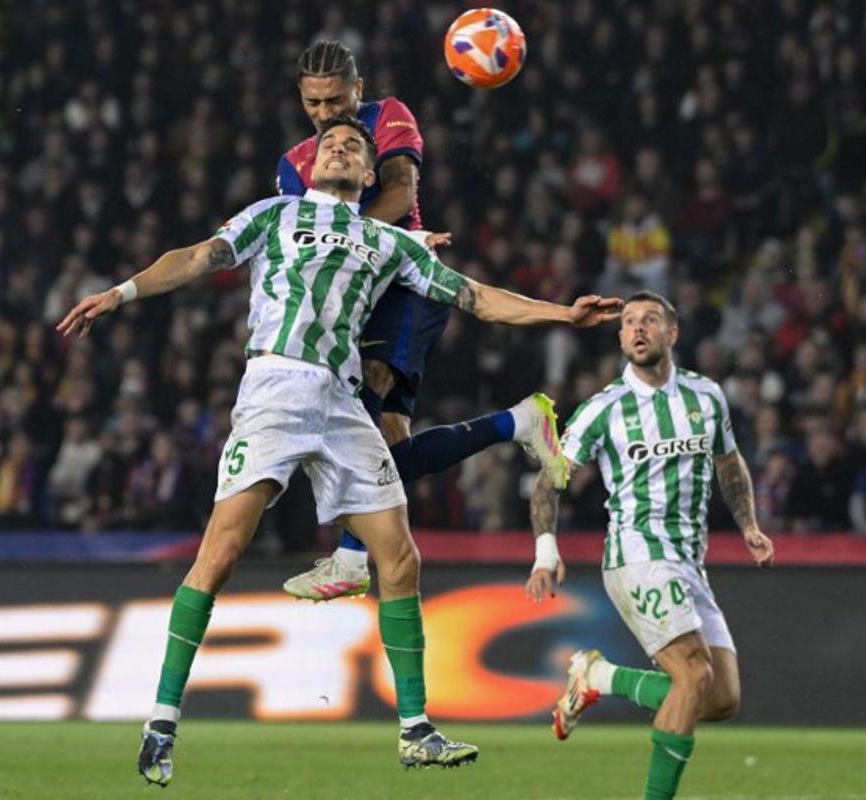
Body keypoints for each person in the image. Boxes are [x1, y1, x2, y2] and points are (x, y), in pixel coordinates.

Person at [58, 116, 621, 786]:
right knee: (222, 551)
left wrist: (563, 313)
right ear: (314, 163)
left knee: (400, 556)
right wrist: (118, 294)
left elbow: (473, 297)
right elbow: (193, 258)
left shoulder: (389, 242)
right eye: (331, 143)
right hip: (274, 386)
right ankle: (160, 722)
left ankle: (416, 731)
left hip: (340, 401)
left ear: (368, 176)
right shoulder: (274, 214)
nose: (341, 148)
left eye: (355, 146)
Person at [278, 41, 564, 600]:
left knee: (361, 412)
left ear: (357, 90)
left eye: (335, 99)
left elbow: (401, 190)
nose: (325, 113)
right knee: (391, 453)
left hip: (404, 282)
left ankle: (349, 559)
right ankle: (519, 423)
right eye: (313, 104)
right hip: (351, 299)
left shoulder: (387, 116)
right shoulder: (293, 163)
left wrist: (378, 239)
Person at [525, 291, 774, 800]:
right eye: (630, 322)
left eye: (650, 320)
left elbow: (729, 462)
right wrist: (546, 551)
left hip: (688, 562)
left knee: (721, 698)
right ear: (620, 338)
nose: (638, 329)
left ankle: (600, 676)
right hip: (636, 555)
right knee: (694, 674)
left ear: (672, 333)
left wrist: (748, 524)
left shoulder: (707, 397)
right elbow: (550, 480)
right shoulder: (604, 409)